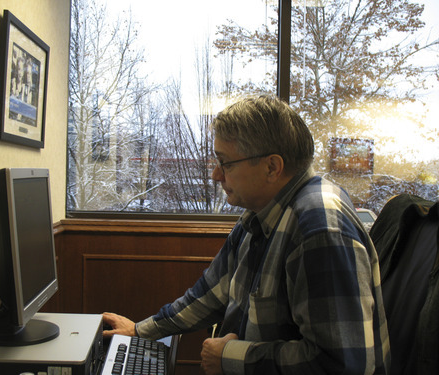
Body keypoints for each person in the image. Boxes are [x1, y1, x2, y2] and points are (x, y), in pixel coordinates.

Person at [103, 95, 390, 374]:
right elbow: (210, 294)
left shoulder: (320, 227)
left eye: (225, 163)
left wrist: (232, 358)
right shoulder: (259, 214)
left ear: (271, 167)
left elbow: (343, 364)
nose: (216, 175)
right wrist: (140, 331)